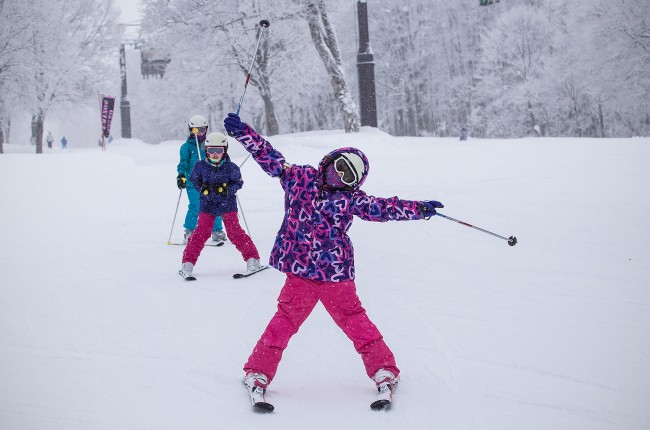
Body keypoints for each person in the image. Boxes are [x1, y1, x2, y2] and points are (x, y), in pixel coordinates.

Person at [224, 112, 445, 407]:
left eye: (349, 176)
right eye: (340, 167)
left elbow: (383, 208)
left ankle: (383, 370)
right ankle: (258, 372)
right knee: (283, 323)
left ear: (354, 183)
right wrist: (243, 134)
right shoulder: (299, 178)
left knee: (356, 322)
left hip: (335, 275)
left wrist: (418, 208)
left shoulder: (351, 200)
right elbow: (271, 159)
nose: (340, 176)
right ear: (330, 161)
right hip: (301, 272)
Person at [179, 131, 262, 278]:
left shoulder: (231, 167)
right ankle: (188, 263)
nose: (215, 154)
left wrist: (227, 189)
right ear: (206, 151)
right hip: (208, 204)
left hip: (227, 203)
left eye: (219, 151)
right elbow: (194, 180)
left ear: (225, 151)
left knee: (234, 232)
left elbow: (238, 182)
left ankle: (252, 259)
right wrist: (203, 189)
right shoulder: (200, 166)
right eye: (211, 151)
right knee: (200, 233)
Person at [176, 115, 225, 244]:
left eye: (202, 130)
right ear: (190, 130)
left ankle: (217, 230)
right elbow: (183, 164)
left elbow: (218, 159)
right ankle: (190, 231)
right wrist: (181, 176)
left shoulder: (210, 145)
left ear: (206, 130)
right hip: (193, 183)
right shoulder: (186, 147)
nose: (199, 134)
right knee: (196, 206)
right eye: (195, 130)